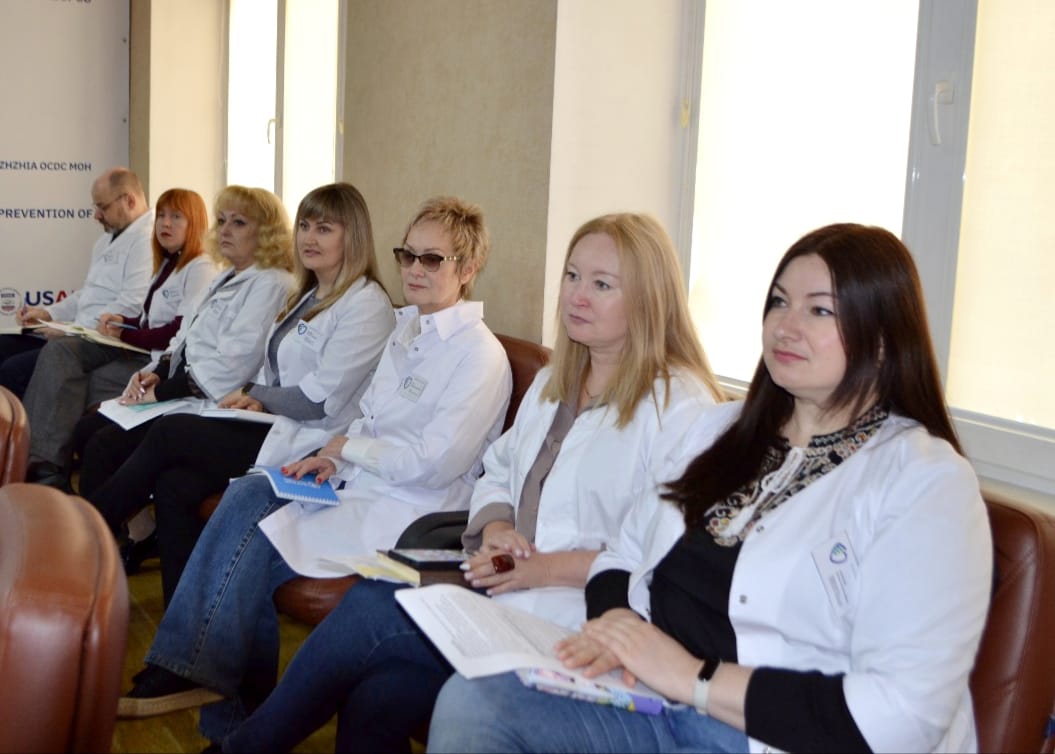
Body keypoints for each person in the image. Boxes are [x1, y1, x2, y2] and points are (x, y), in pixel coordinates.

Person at [427, 223, 994, 754]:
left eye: (820, 310)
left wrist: (693, 677)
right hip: (651, 698)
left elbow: (903, 711)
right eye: (779, 302)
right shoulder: (720, 431)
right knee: (477, 702)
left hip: (760, 735)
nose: (786, 326)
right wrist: (618, 626)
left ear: (883, 338)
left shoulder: (924, 481)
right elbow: (624, 555)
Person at [210, 212, 725, 753]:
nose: (577, 295)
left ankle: (242, 748)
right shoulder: (557, 380)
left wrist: (542, 568)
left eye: (602, 284)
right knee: (377, 693)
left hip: (580, 618)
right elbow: (498, 468)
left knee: (373, 610)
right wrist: (497, 525)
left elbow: (659, 558)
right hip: (505, 582)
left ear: (648, 297)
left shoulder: (680, 408)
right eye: (572, 276)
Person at [115, 197, 513, 744]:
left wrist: (348, 449)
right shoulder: (408, 332)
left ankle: (218, 707)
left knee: (252, 543)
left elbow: (434, 464)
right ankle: (224, 716)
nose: (414, 269)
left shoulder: (479, 356)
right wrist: (333, 455)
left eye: (432, 259)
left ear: (468, 269)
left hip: (410, 511)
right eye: (408, 255)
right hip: (358, 484)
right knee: (250, 497)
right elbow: (368, 420)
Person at [84, 182, 394, 604]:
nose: (309, 238)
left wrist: (254, 392)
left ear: (352, 236)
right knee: (174, 485)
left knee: (170, 433)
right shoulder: (307, 294)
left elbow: (316, 402)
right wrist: (255, 395)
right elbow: (273, 371)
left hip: (313, 442)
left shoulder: (366, 304)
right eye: (305, 226)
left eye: (324, 229)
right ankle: (183, 626)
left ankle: (83, 536)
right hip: (273, 424)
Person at [74, 185, 294, 500]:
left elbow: (231, 366)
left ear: (267, 232)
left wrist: (160, 393)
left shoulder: (272, 283)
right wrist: (157, 372)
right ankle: (106, 524)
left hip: (213, 402)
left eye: (239, 222)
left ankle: (93, 526)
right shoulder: (225, 277)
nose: (225, 230)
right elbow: (183, 338)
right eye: (222, 221)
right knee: (87, 430)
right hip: (183, 391)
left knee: (103, 445)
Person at [21, 187, 219, 490]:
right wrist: (122, 323)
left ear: (195, 223)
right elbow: (148, 320)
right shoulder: (167, 264)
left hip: (158, 365)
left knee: (77, 383)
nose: (165, 224)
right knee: (67, 368)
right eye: (161, 216)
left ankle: (48, 468)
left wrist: (128, 332)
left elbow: (177, 332)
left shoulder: (201, 268)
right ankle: (46, 468)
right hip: (138, 352)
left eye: (176, 217)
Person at [0, 167, 153, 397]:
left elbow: (131, 305)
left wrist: (73, 331)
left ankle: (22, 422)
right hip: (80, 333)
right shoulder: (106, 240)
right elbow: (86, 294)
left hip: (106, 341)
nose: (96, 215)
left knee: (13, 371)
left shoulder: (147, 241)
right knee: (3, 346)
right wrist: (48, 313)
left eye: (102, 207)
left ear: (129, 201)